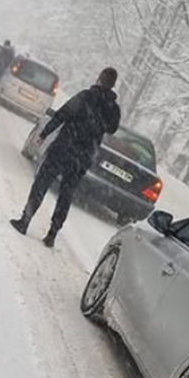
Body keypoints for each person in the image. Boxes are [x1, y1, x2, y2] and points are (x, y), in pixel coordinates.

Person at [10, 67, 122, 248]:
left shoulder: (85, 96)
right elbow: (112, 128)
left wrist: (44, 133)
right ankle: (52, 234)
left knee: (42, 183)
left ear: (100, 79)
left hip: (63, 147)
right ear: (112, 85)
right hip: (83, 156)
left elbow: (63, 113)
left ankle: (25, 220)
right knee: (66, 194)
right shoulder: (113, 108)